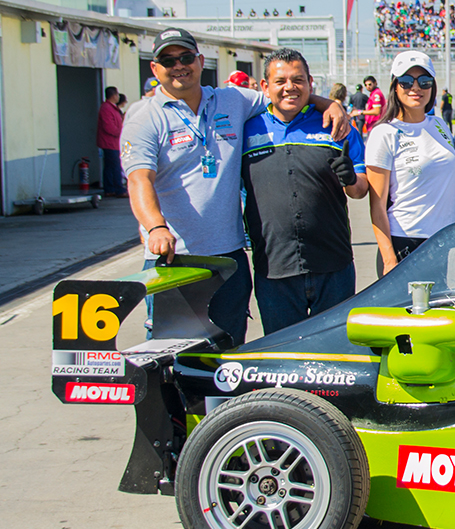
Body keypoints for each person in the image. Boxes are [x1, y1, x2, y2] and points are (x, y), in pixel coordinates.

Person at [121, 28, 349, 345]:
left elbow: (285, 93)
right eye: (168, 60)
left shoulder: (232, 100)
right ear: (154, 67)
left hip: (229, 258)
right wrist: (156, 227)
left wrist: (330, 104)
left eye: (186, 57)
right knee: (171, 351)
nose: (179, 66)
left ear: (200, 61)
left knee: (228, 349)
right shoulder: (143, 117)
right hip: (175, 259)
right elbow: (139, 179)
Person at [241, 49, 369, 334]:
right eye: (280, 81)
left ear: (310, 83)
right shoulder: (246, 129)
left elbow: (360, 190)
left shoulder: (337, 125)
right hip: (274, 268)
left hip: (333, 265)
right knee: (283, 354)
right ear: (265, 87)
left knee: (336, 352)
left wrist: (350, 178)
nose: (290, 87)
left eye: (298, 80)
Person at [365, 52, 455, 278]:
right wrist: (389, 260)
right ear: (394, 87)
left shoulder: (439, 125)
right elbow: (377, 206)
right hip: (404, 242)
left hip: (444, 240)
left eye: (424, 81)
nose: (415, 88)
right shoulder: (384, 133)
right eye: (406, 81)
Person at [97, 86, 126, 198]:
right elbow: (109, 127)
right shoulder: (106, 108)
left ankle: (110, 189)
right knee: (115, 166)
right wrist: (121, 133)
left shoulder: (112, 108)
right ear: (114, 96)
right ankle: (118, 189)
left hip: (114, 142)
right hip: (110, 142)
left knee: (110, 167)